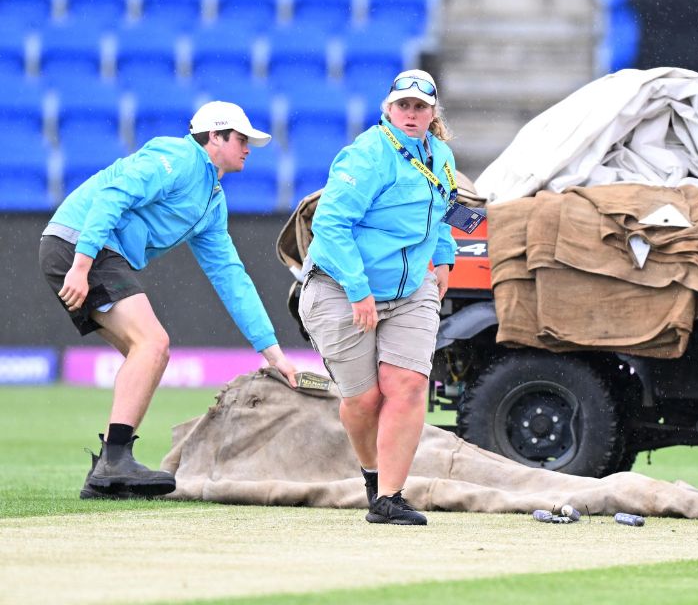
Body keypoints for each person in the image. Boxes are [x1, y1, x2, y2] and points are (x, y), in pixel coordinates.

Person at [39, 101, 299, 499]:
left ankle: (104, 476)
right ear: (215, 137)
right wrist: (81, 263)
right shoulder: (178, 156)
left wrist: (274, 354)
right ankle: (114, 460)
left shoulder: (212, 200)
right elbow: (114, 193)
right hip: (79, 243)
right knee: (153, 344)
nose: (248, 147)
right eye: (242, 138)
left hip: (82, 247)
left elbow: (232, 279)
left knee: (148, 354)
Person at [299, 69, 458, 526]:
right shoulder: (367, 154)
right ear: (388, 109)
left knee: (406, 386)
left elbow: (445, 210)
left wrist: (444, 259)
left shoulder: (442, 154)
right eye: (403, 105)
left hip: (410, 291)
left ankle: (389, 498)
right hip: (340, 287)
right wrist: (358, 289)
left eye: (420, 107)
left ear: (432, 114)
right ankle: (372, 478)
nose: (411, 114)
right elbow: (330, 225)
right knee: (364, 401)